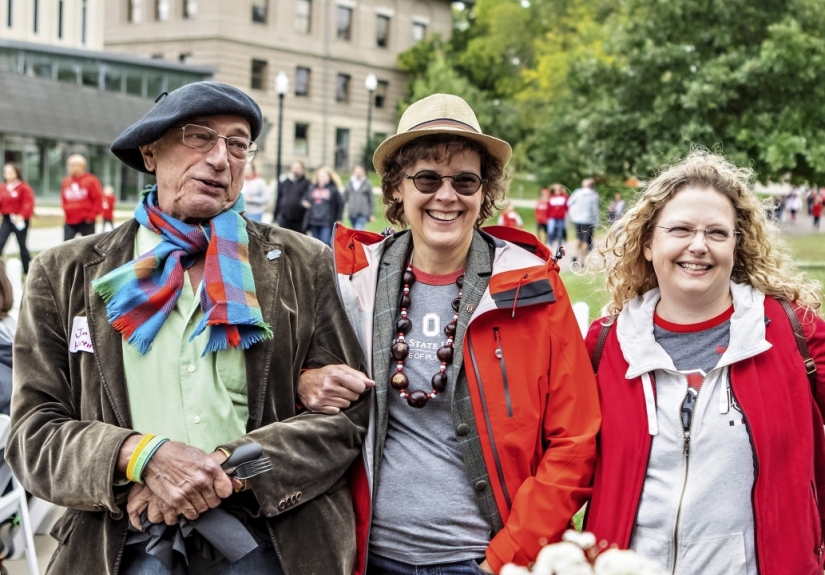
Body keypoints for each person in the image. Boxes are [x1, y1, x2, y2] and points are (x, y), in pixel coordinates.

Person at [7, 81, 372, 575]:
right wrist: (140, 456)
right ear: (150, 152)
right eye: (200, 137)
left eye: (238, 143)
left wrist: (227, 469)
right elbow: (33, 435)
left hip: (270, 541)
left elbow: (346, 421)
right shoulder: (65, 274)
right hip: (125, 542)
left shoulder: (301, 264)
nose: (221, 159)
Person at [301, 93, 600, 574]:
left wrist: (505, 560)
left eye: (465, 180)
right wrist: (306, 381)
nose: (447, 195)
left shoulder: (533, 288)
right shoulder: (351, 280)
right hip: (364, 556)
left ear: (484, 192)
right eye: (427, 178)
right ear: (397, 188)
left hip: (480, 561)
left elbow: (576, 439)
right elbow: (283, 383)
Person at [583, 151, 825, 575]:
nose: (698, 245)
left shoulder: (794, 333)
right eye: (680, 229)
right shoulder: (605, 344)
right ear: (648, 242)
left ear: (737, 244)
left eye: (717, 232)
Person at [0, 163, 34, 274]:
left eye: (11, 172)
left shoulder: (23, 187)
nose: (8, 175)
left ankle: (27, 270)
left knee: (22, 245)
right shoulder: (3, 187)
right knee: (1, 241)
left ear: (17, 173)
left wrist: (22, 215)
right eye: (6, 173)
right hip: (7, 219)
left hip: (20, 219)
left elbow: (28, 203)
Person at [62, 153, 103, 241]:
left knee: (89, 246)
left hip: (86, 221)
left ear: (81, 166)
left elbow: (98, 199)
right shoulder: (66, 182)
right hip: (70, 220)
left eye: (72, 165)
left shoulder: (91, 181)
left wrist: (91, 217)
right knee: (65, 246)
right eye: (69, 165)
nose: (69, 168)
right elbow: (63, 199)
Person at [306, 166, 343, 246]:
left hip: (326, 222)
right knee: (315, 244)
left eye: (324, 176)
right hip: (314, 221)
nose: (322, 178)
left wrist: (339, 218)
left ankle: (327, 258)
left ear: (329, 177)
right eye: (320, 176)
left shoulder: (333, 189)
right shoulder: (312, 188)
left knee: (325, 242)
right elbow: (306, 199)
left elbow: (340, 204)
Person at [567, 178, 600, 262]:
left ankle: (574, 255)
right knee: (586, 239)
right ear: (592, 186)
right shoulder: (594, 195)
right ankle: (582, 260)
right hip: (588, 220)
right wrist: (597, 222)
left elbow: (569, 203)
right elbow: (595, 209)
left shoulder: (577, 192)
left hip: (577, 219)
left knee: (578, 237)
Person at [273, 160, 311, 232]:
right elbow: (279, 199)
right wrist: (275, 216)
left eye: (298, 168)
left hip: (300, 220)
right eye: (293, 168)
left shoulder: (307, 184)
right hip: (285, 218)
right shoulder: (284, 183)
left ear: (302, 170)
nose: (295, 170)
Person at [344, 164, 375, 230]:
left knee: (358, 230)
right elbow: (344, 198)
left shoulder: (367, 184)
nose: (358, 174)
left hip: (362, 213)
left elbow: (371, 200)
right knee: (355, 229)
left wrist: (371, 214)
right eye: (357, 172)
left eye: (360, 172)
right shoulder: (349, 184)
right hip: (352, 213)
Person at [546, 184, 568, 253]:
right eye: (556, 190)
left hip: (560, 217)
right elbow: (548, 208)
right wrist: (547, 217)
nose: (557, 191)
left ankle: (559, 245)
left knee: (560, 232)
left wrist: (564, 191)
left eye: (559, 190)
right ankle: (550, 243)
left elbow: (567, 204)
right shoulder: (551, 197)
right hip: (552, 217)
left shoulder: (563, 197)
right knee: (551, 231)